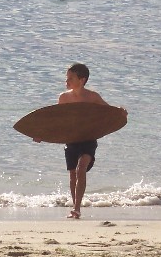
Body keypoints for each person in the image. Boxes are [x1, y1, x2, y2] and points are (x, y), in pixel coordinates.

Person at [37, 63, 126, 219]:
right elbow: (57, 121)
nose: (67, 81)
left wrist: (120, 112)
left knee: (81, 168)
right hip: (71, 140)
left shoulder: (92, 97)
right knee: (72, 175)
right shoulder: (64, 98)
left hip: (88, 139)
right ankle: (75, 206)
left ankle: (77, 208)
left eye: (70, 78)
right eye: (67, 78)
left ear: (82, 79)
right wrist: (42, 135)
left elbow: (108, 111)